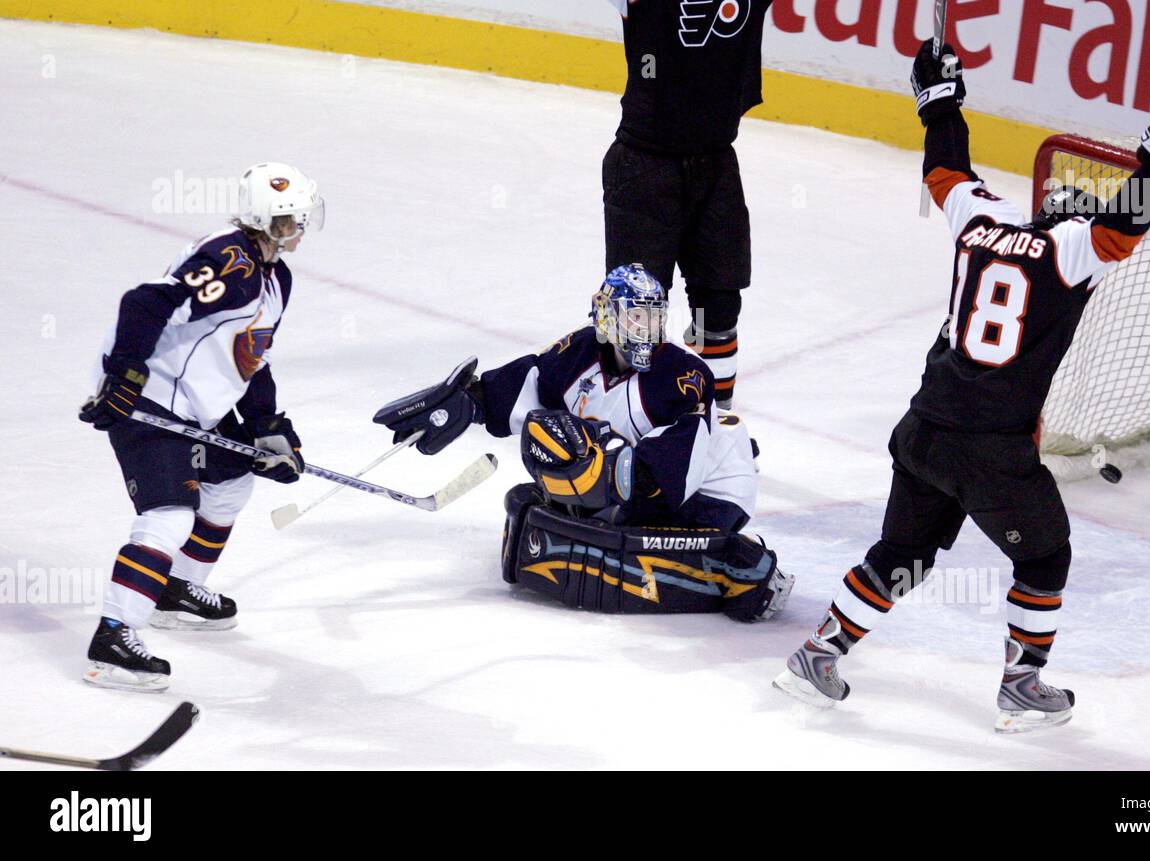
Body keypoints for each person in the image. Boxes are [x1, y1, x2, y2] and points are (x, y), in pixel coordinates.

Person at [773, 44, 1150, 732]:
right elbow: (1124, 222)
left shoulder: (983, 221)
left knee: (905, 552)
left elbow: (947, 170)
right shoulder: (1073, 250)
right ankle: (1021, 682)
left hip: (923, 428)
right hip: (990, 446)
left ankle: (818, 654)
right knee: (1045, 553)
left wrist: (941, 102)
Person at [573, 0, 878, 409]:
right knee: (635, 310)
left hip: (716, 167)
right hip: (644, 167)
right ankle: (619, 416)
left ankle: (711, 421)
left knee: (720, 303)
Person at [373, 264, 792, 621]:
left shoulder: (682, 377)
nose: (647, 330)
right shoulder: (579, 351)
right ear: (608, 318)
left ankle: (740, 567)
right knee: (548, 450)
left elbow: (664, 479)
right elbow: (530, 382)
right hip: (637, 484)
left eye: (653, 318)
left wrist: (586, 474)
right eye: (635, 318)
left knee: (570, 470)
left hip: (708, 494)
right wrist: (468, 403)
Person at [79, 162, 323, 692]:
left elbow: (253, 355)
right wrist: (124, 374)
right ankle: (113, 640)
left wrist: (266, 425)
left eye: (301, 218)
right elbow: (144, 303)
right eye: (287, 220)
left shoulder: (275, 277)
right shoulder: (229, 261)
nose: (298, 228)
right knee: (168, 516)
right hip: (150, 398)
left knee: (232, 482)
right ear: (263, 219)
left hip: (193, 408)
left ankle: (175, 589)